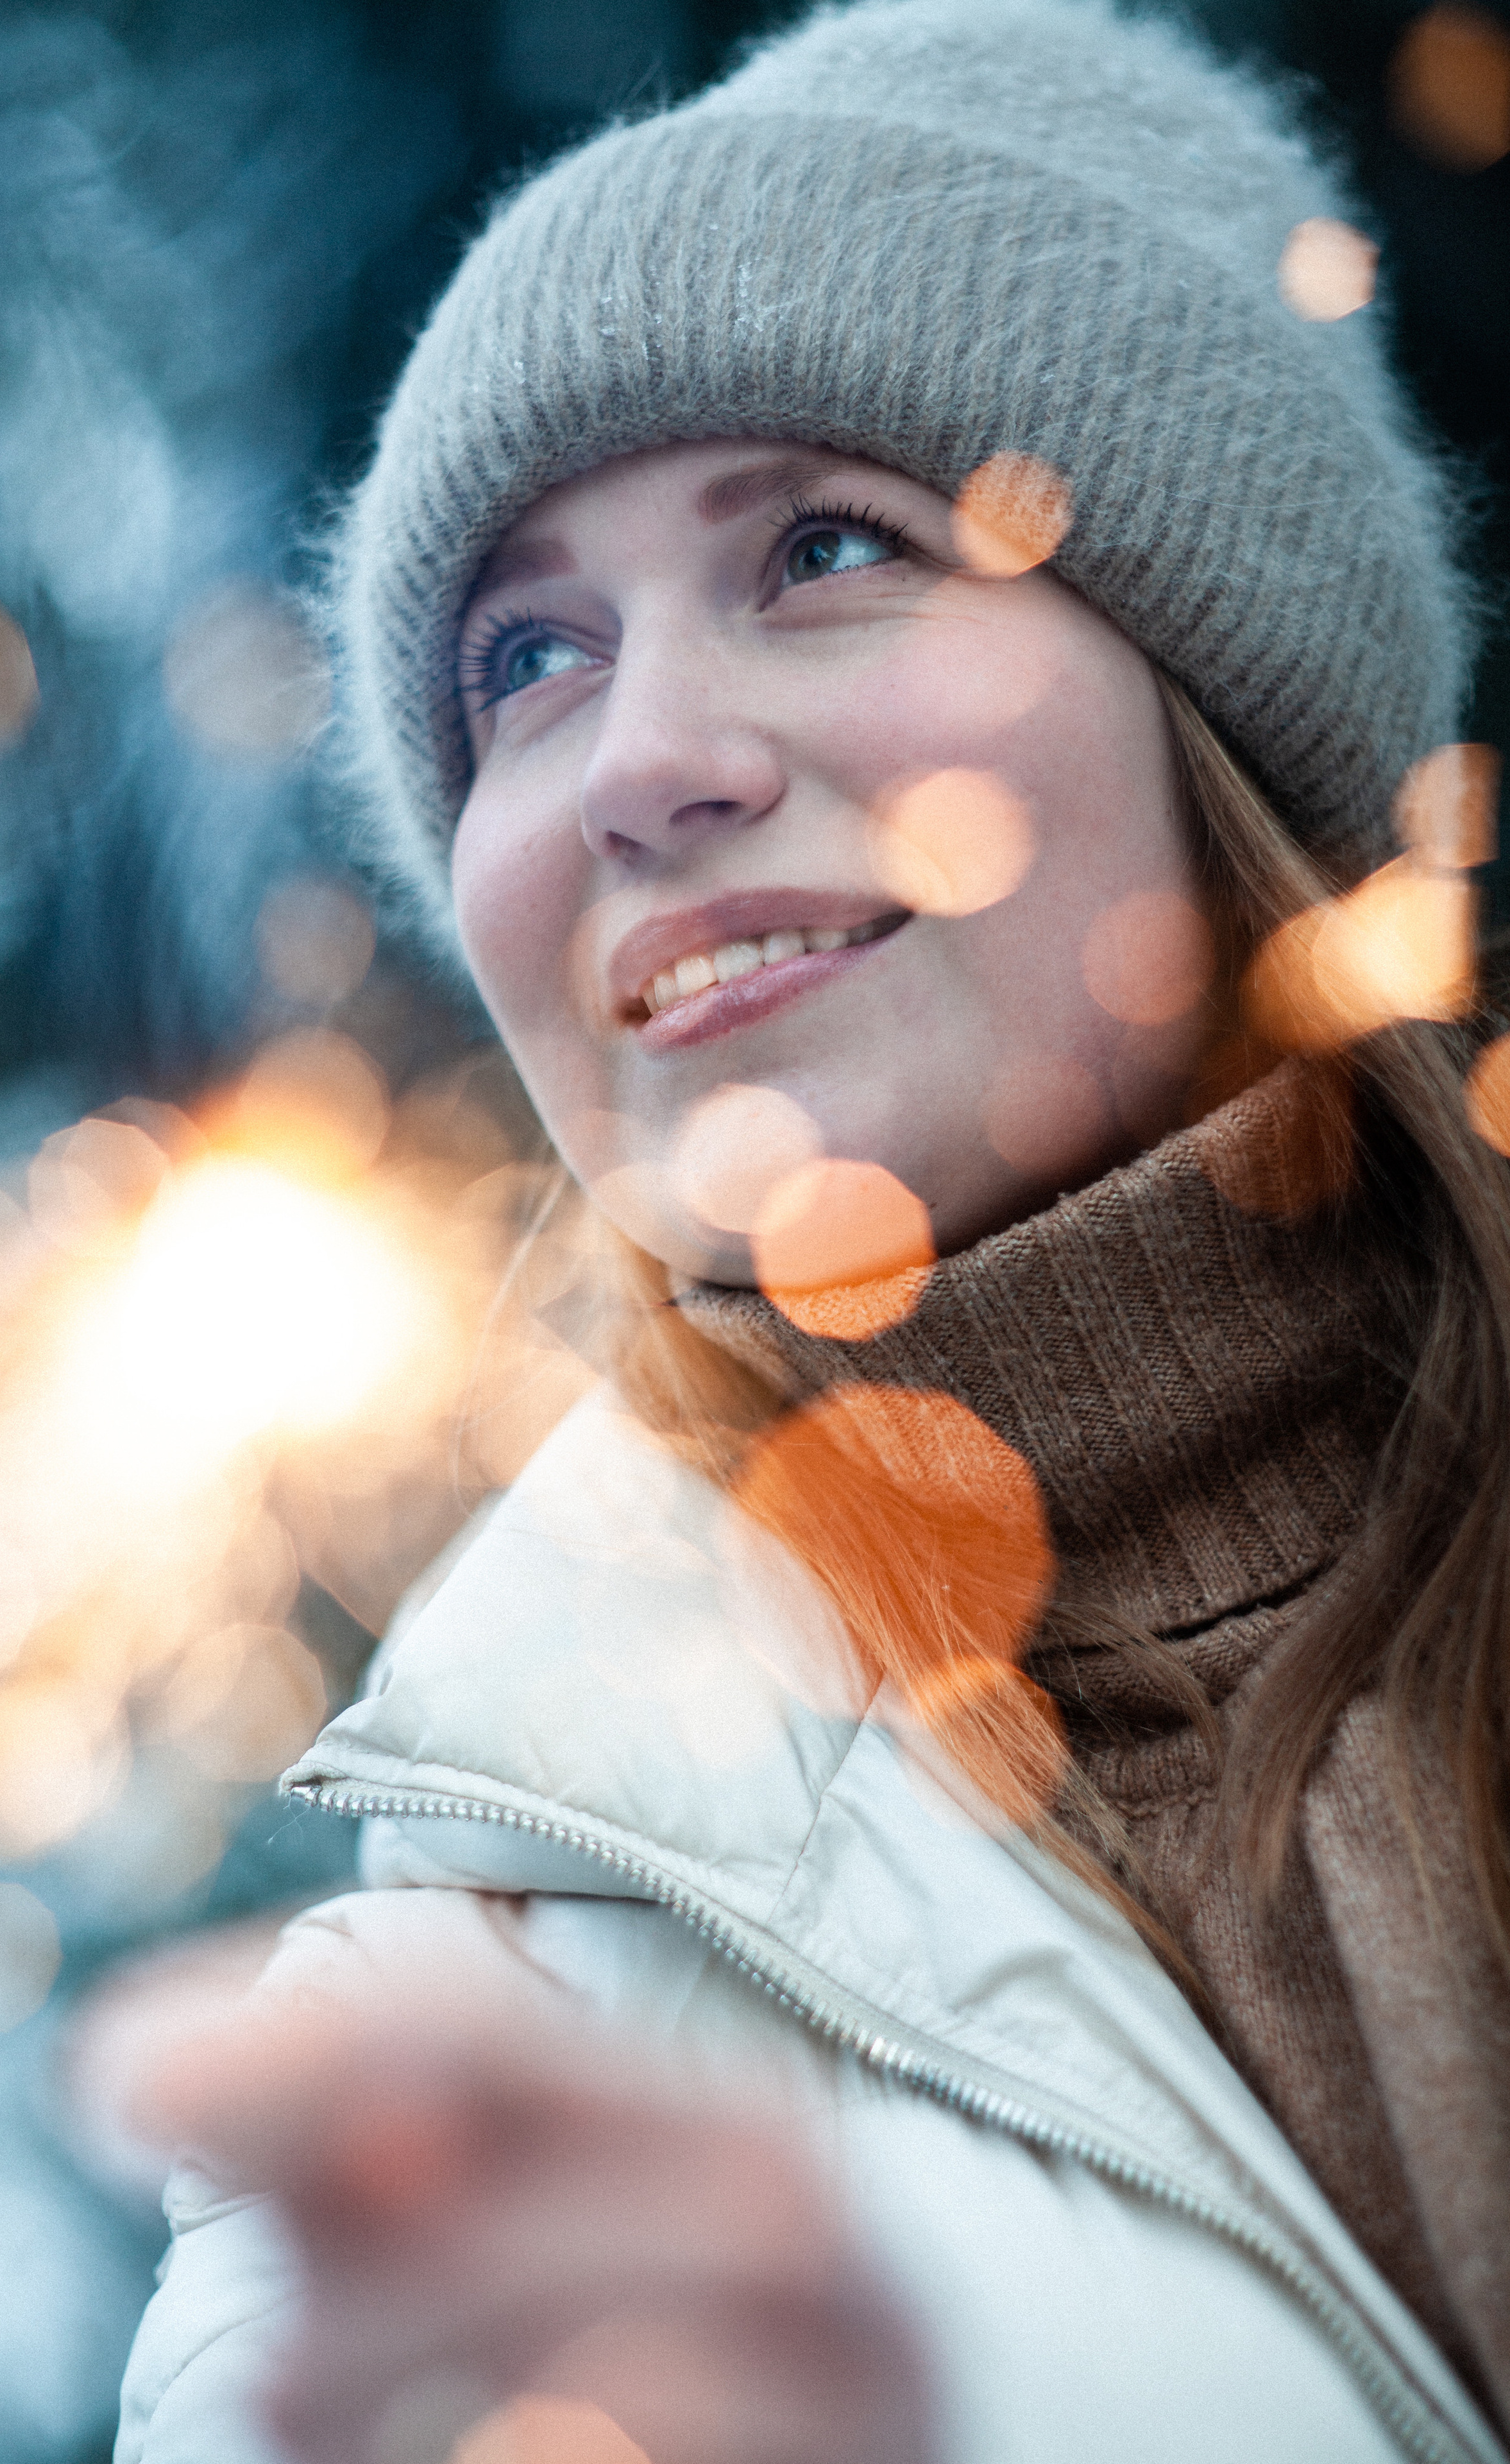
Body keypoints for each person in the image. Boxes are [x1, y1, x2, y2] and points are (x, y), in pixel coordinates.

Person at [115, 1, 1510, 2459]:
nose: (640, 761)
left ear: (1228, 707)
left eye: (827, 548)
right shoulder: (476, 2085)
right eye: (526, 658)